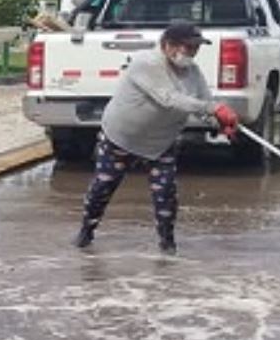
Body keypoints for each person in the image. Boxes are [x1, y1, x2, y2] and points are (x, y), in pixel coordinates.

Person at [74, 22, 240, 254]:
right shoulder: (147, 63)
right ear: (168, 45)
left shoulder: (193, 72)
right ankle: (86, 232)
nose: (192, 53)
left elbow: (202, 104)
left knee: (166, 195)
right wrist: (214, 109)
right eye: (188, 47)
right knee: (103, 187)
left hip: (160, 144)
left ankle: (167, 244)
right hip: (121, 139)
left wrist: (219, 123)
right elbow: (169, 98)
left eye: (196, 48)